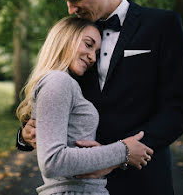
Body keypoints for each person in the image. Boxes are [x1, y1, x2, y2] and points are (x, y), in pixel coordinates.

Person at [16, 0, 183, 195]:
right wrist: (26, 134)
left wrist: (122, 155)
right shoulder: (77, 36)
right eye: (65, 1)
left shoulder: (162, 25)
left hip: (143, 178)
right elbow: (52, 90)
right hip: (79, 183)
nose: (71, 9)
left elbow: (178, 109)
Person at [16, 16, 153, 195]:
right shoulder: (58, 81)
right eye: (88, 44)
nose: (92, 58)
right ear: (65, 39)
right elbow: (53, 162)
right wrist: (123, 151)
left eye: (96, 52)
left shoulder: (64, 82)